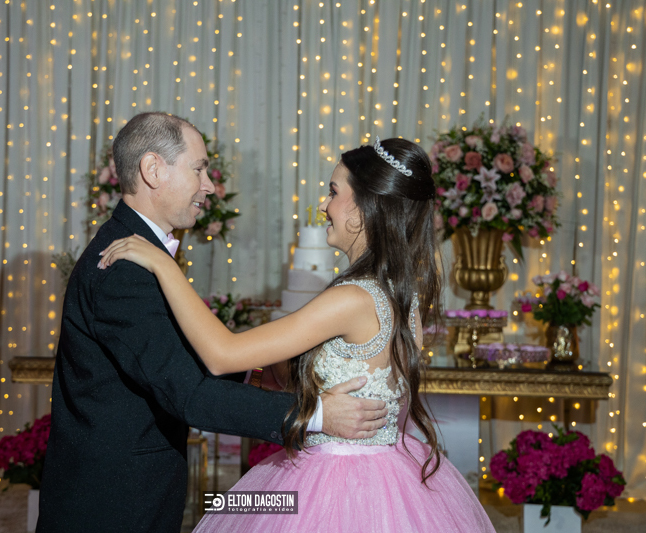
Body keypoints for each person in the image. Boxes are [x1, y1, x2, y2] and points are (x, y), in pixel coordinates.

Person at [98, 136, 496, 532]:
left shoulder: (353, 298)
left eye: (333, 192)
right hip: (387, 476)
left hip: (330, 486)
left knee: (230, 508)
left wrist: (164, 266)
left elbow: (222, 353)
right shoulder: (400, 297)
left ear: (362, 209)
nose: (323, 205)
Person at [37, 112, 390, 533]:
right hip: (111, 503)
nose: (208, 185)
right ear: (153, 170)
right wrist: (315, 414)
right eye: (199, 169)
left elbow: (175, 360)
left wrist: (257, 373)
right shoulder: (124, 270)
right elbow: (188, 395)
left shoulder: (138, 254)